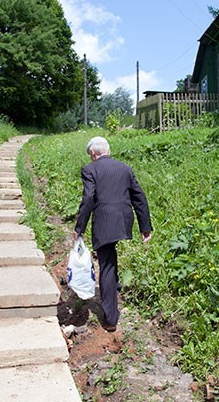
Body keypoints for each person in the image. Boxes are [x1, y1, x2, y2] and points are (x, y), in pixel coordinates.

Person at [73, 136, 152, 332]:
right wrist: (145, 226)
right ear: (107, 150)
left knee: (106, 264)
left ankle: (110, 318)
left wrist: (79, 228)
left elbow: (89, 198)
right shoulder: (124, 168)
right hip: (123, 220)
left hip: (105, 222)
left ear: (92, 153)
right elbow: (139, 197)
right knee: (110, 255)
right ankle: (114, 287)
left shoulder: (90, 169)